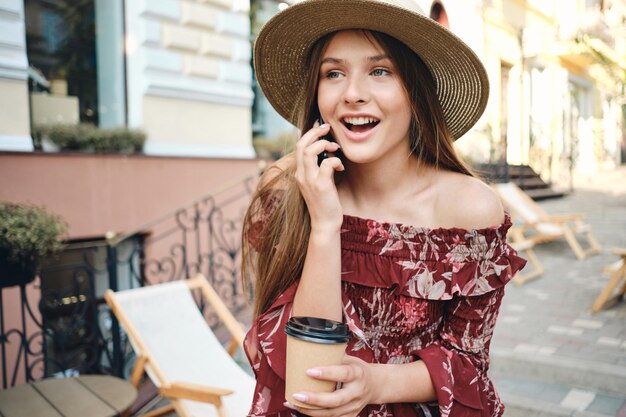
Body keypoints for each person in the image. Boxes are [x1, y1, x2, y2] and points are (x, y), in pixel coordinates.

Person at [242, 1, 527, 416]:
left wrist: (376, 383)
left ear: (415, 89)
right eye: (333, 72)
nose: (353, 94)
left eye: (380, 71)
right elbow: (305, 373)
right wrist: (324, 224)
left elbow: (467, 362)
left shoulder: (469, 208)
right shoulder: (286, 191)